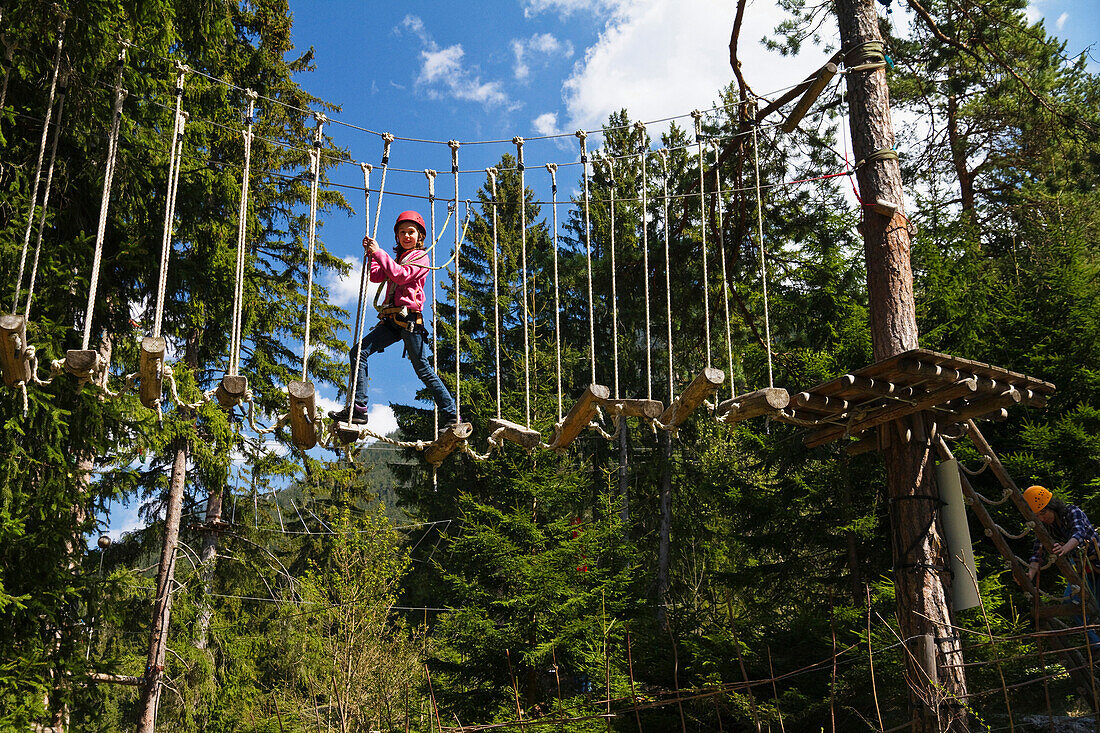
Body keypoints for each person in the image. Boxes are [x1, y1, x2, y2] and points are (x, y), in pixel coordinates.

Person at [329, 210, 458, 432]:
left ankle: (451, 414)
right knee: (358, 352)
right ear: (397, 237)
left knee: (423, 369)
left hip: (409, 321)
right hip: (392, 320)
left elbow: (399, 276)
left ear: (419, 236)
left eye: (411, 232)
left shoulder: (420, 257)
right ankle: (359, 408)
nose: (406, 236)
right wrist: (373, 255)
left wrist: (379, 253)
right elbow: (376, 276)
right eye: (402, 233)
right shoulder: (397, 258)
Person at [1024, 484, 1100, 655]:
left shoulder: (1072, 512)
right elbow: (1038, 552)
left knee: (1098, 606)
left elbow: (1078, 535)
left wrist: (1065, 548)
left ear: (1052, 506)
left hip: (1097, 564)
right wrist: (1030, 573)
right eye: (1038, 515)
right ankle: (1096, 645)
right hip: (1083, 570)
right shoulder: (1046, 527)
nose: (1042, 518)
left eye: (1043, 512)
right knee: (1069, 602)